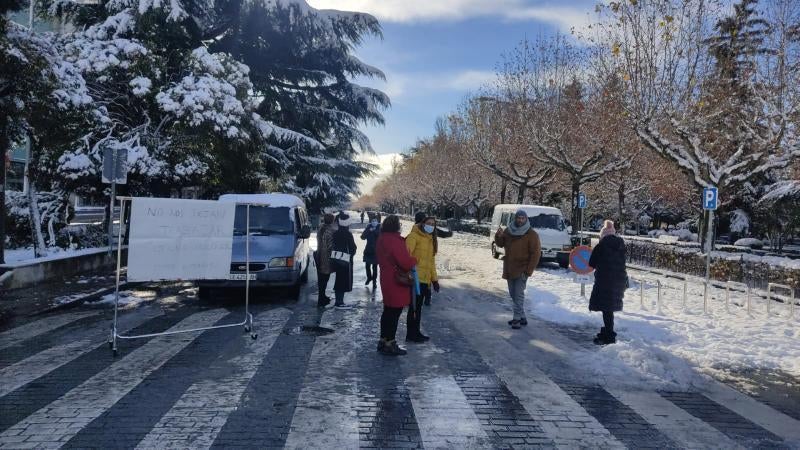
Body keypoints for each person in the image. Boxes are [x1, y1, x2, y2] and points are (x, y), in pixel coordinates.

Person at [376, 215, 417, 356]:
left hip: (386, 278)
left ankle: (383, 340)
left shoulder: (382, 238)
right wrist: (413, 260)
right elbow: (405, 262)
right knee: (395, 312)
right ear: (395, 226)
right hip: (396, 280)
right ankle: (390, 343)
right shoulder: (395, 241)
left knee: (387, 311)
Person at [494, 209, 541, 330]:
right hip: (509, 267)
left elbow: (535, 254)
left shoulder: (532, 234)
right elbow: (501, 244)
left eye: (522, 218)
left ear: (526, 219)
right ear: (515, 218)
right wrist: (498, 236)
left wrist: (528, 271)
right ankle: (522, 317)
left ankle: (516, 319)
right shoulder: (509, 230)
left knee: (518, 294)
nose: (520, 220)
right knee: (512, 293)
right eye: (518, 218)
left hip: (522, 269)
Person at [589, 220, 627, 345]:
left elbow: (591, 263)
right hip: (619, 280)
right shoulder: (621, 246)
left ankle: (609, 335)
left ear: (603, 235)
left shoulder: (601, 246)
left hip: (605, 281)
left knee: (606, 308)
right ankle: (607, 331)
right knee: (608, 308)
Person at [405, 215, 440, 342]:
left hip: (425, 280)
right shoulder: (414, 236)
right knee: (414, 307)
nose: (431, 225)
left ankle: (416, 331)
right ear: (423, 223)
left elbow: (431, 262)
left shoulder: (431, 239)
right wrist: (410, 273)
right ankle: (411, 334)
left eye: (433, 224)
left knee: (418, 308)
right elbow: (406, 256)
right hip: (415, 278)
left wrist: (434, 280)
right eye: (428, 223)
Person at [331, 212, 358, 308]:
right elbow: (353, 248)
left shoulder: (335, 233)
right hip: (345, 260)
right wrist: (351, 254)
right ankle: (339, 302)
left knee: (339, 279)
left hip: (336, 259)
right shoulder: (348, 234)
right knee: (343, 281)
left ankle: (338, 300)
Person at [315, 213, 336, 307]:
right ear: (332, 220)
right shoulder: (330, 231)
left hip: (319, 255)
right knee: (324, 278)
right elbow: (330, 246)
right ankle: (321, 299)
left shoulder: (320, 228)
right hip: (326, 258)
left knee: (320, 279)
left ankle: (322, 296)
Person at [361, 214, 381, 289]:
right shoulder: (368, 227)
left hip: (376, 251)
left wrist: (374, 231)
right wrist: (369, 230)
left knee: (375, 267)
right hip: (368, 250)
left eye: (375, 220)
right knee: (367, 266)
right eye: (373, 221)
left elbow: (380, 236)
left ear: (378, 221)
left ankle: (374, 281)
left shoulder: (380, 228)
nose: (374, 222)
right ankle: (369, 277)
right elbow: (362, 237)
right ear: (370, 221)